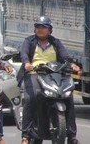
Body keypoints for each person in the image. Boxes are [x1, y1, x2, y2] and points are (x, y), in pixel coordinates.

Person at [18, 16, 81, 144]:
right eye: (38, 27)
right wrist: (27, 63)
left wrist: (72, 65)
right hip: (33, 74)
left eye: (44, 27)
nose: (40, 30)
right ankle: (26, 136)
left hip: (53, 74)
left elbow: (65, 57)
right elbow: (24, 54)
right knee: (31, 99)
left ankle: (72, 136)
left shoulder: (55, 42)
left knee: (68, 98)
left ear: (50, 30)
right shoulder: (29, 41)